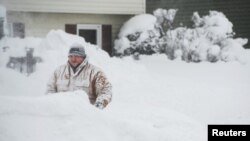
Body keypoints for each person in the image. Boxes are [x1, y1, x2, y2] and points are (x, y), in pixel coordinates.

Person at [46, 43, 112, 109]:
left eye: (77, 56)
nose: (73, 59)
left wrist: (99, 104)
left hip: (85, 115)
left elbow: (106, 90)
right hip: (62, 114)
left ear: (83, 57)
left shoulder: (95, 72)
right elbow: (50, 90)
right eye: (71, 56)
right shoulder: (58, 71)